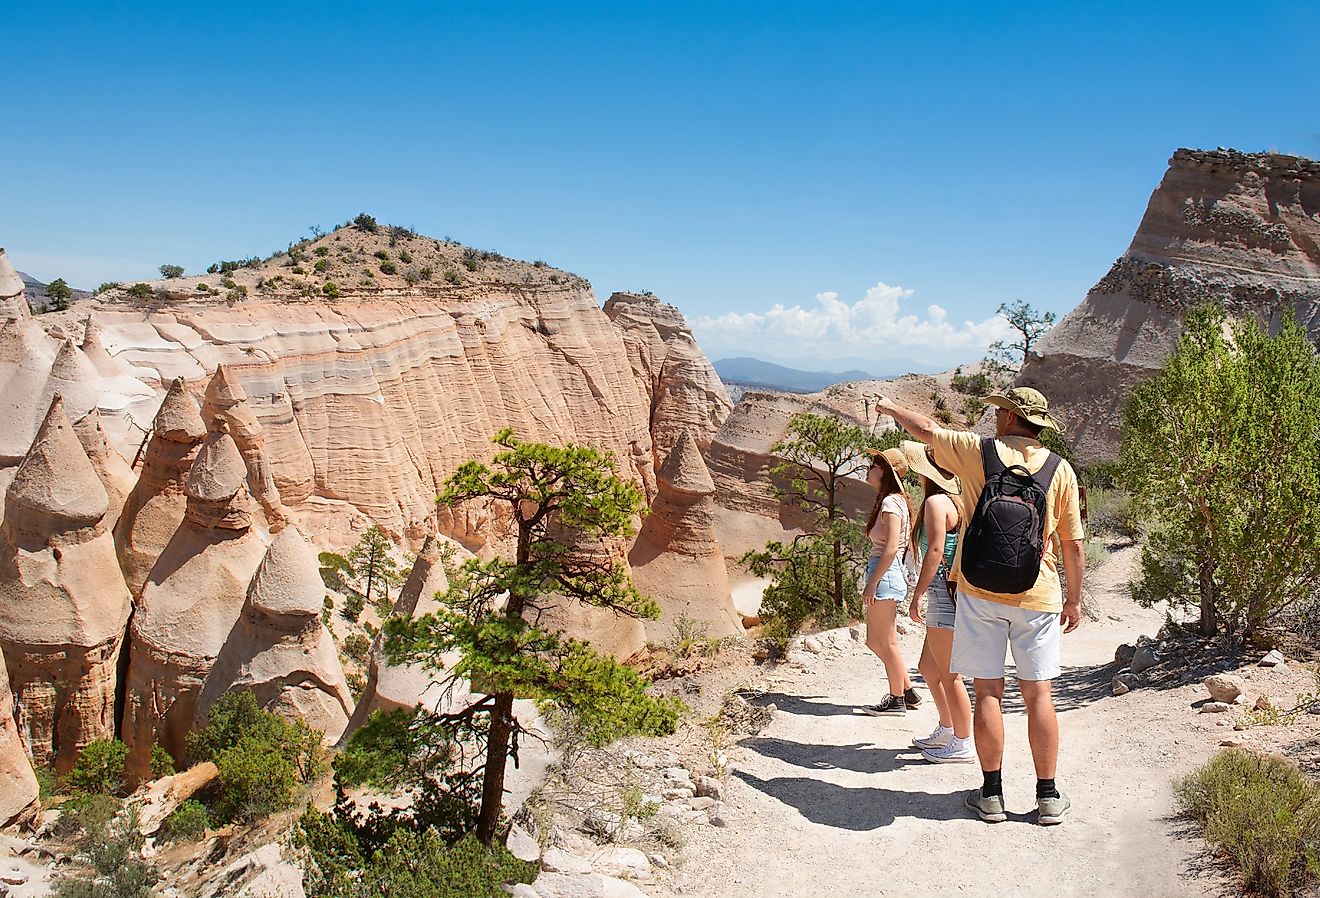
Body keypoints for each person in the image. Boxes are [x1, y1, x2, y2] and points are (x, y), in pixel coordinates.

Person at [872, 387, 1084, 826]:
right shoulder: (1061, 470)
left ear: (1009, 416)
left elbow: (926, 431)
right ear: (1039, 423)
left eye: (1000, 411)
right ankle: (1047, 797)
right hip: (1038, 593)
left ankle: (991, 795)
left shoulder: (978, 452)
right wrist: (1075, 599)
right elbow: (1072, 544)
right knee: (1038, 694)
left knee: (988, 691)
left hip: (979, 591)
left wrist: (892, 407)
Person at [899, 440, 974, 764]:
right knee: (929, 668)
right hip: (948, 592)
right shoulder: (955, 500)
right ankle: (947, 728)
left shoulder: (935, 503)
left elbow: (935, 551)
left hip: (942, 594)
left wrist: (917, 595)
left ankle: (962, 741)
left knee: (949, 674)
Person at [859, 447, 922, 716]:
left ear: (886, 472)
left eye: (875, 464)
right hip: (885, 574)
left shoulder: (890, 503)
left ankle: (896, 700)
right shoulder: (894, 501)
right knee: (875, 641)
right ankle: (907, 691)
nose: (869, 468)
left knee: (888, 643)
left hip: (884, 576)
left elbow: (891, 547)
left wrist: (872, 583)